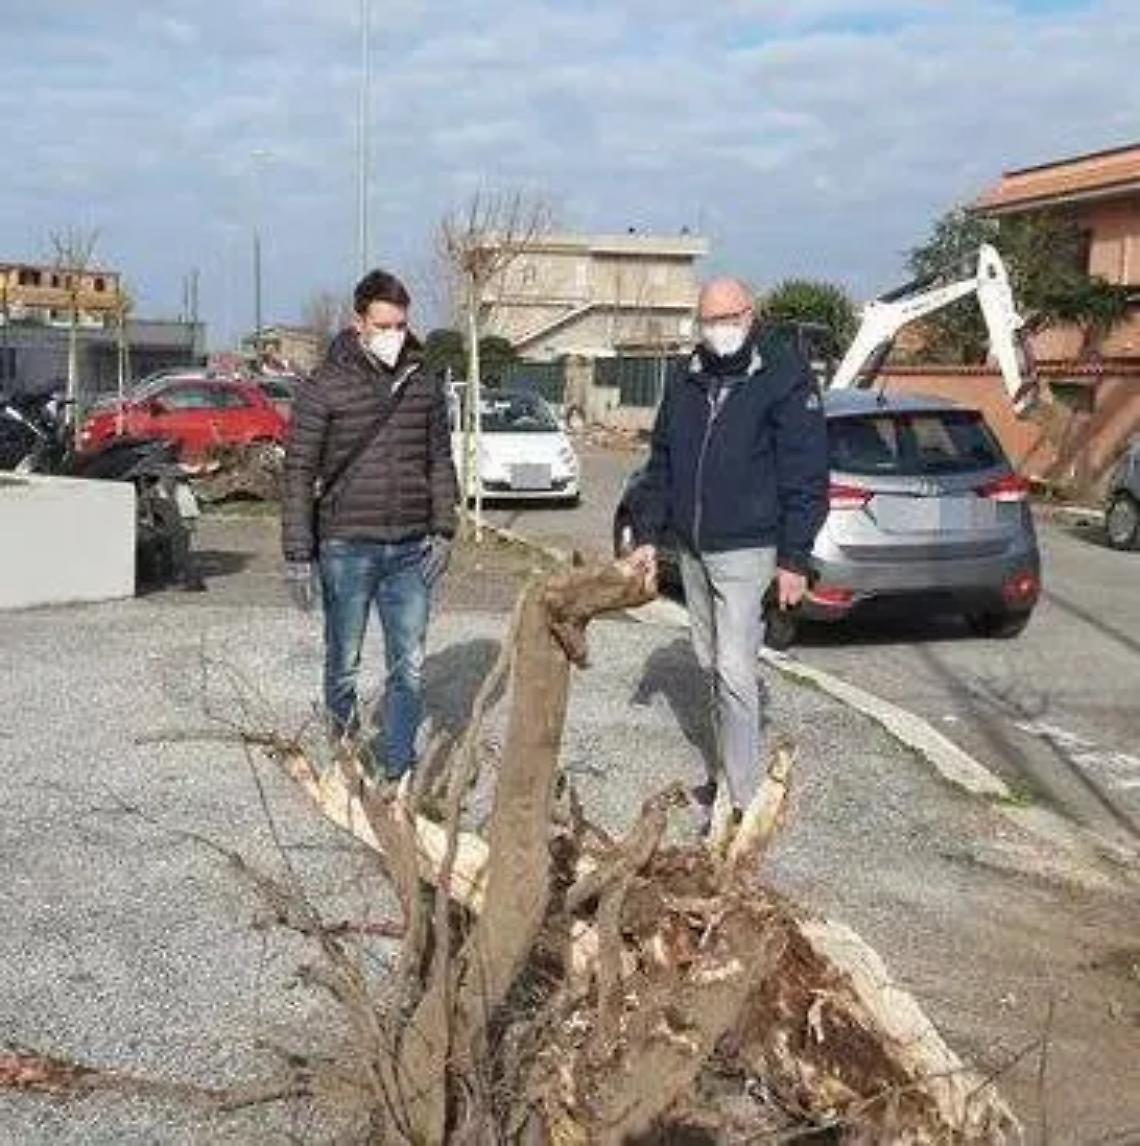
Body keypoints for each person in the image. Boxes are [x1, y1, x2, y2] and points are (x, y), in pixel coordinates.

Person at [627, 276, 829, 827]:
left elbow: (806, 471)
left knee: (737, 671)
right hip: (692, 549)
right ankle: (723, 775)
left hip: (748, 548)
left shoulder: (783, 374)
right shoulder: (687, 377)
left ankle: (740, 801)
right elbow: (662, 461)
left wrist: (794, 558)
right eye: (709, 321)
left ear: (750, 313)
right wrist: (647, 535)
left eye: (728, 319)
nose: (719, 331)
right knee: (709, 665)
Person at [281, 269, 458, 780]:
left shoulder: (422, 381)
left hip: (410, 550)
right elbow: (299, 471)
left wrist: (443, 528)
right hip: (346, 548)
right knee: (345, 663)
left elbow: (439, 461)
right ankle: (345, 755)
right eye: (384, 324)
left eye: (401, 324)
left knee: (410, 667)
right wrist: (298, 554)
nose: (395, 334)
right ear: (359, 322)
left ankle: (397, 765)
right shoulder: (325, 385)